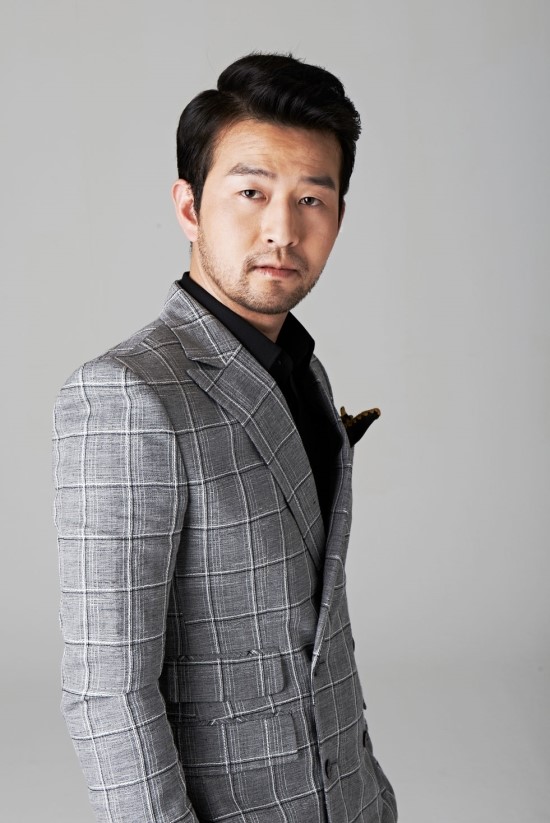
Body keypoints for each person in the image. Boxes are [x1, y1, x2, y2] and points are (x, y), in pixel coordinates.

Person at [52, 53, 397, 823]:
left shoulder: (303, 370)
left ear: (339, 216)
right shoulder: (126, 394)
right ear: (189, 206)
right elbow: (106, 689)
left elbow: (315, 634)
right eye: (251, 192)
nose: (283, 229)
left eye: (312, 198)